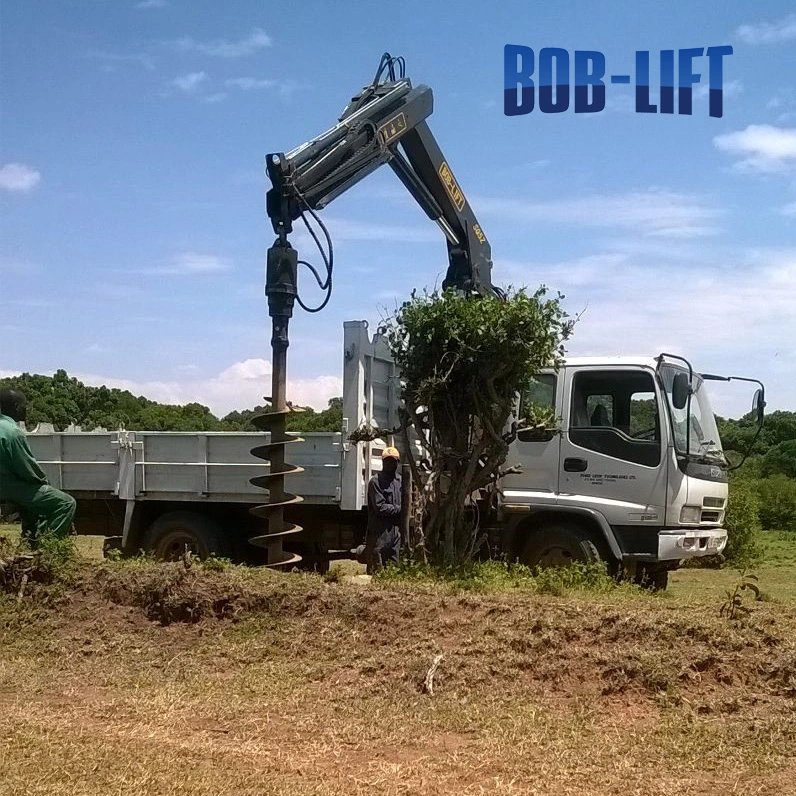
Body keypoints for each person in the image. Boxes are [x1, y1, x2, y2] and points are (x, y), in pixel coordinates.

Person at [0, 388, 76, 543]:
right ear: (15, 407)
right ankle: (45, 548)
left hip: (6, 486)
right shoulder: (12, 432)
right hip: (7, 487)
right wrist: (44, 482)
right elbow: (26, 468)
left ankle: (29, 540)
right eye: (23, 406)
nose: (26, 409)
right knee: (66, 503)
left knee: (33, 500)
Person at [363, 446, 402, 574]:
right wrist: (400, 509)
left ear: (398, 462)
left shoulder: (400, 481)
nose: (389, 463)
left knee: (394, 568)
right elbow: (380, 507)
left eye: (392, 461)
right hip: (379, 531)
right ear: (382, 462)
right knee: (377, 570)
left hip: (395, 531)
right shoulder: (375, 481)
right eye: (387, 461)